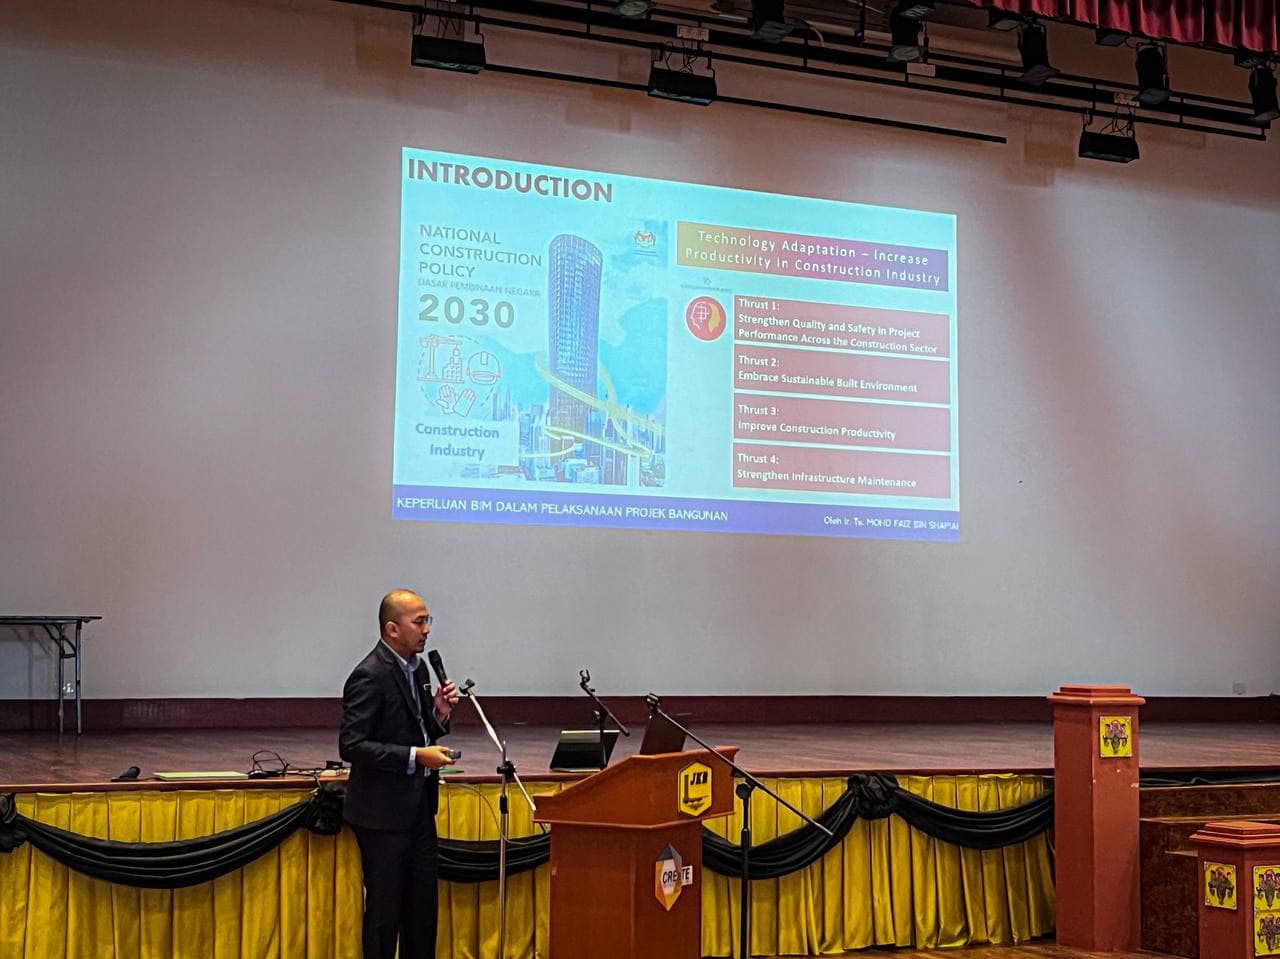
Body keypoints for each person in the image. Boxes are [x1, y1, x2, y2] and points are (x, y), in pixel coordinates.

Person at [340, 589, 460, 959]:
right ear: (392, 629)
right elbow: (352, 745)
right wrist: (415, 756)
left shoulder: (419, 669)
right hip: (381, 814)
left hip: (419, 807)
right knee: (384, 913)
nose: (427, 630)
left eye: (428, 621)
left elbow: (418, 731)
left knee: (421, 911)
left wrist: (438, 714)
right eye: (419, 622)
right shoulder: (369, 675)